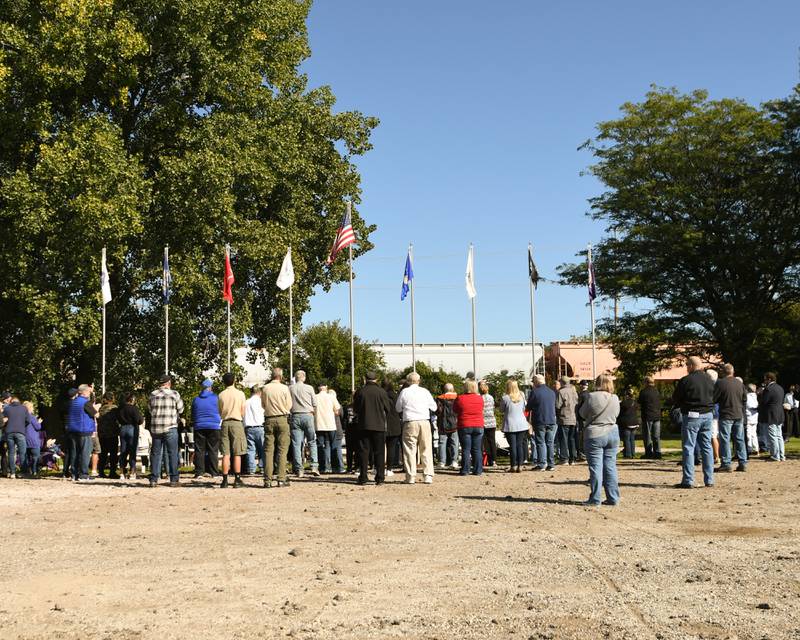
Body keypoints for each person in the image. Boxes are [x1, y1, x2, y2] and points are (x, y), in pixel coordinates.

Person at [673, 357, 715, 488]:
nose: (686, 368)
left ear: (691, 365)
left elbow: (676, 398)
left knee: (689, 447)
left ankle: (688, 480)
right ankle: (709, 480)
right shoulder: (710, 379)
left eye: (687, 365)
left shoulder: (686, 380)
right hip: (708, 415)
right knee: (707, 447)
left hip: (692, 415)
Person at [580, 373, 622, 506]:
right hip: (613, 432)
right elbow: (617, 414)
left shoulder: (591, 396)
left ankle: (595, 498)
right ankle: (613, 497)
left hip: (595, 433)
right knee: (610, 466)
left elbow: (582, 413)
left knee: (596, 468)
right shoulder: (615, 398)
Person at [395, 372, 437, 485]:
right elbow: (434, 407)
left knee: (409, 450)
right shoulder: (425, 392)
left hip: (410, 422)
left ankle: (410, 476)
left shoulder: (404, 392)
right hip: (424, 421)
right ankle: (428, 475)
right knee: (426, 448)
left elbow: (398, 408)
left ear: (408, 381)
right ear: (419, 381)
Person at [353, 371, 392, 485]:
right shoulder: (382, 392)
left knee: (363, 452)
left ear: (365, 379)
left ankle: (363, 477)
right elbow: (387, 408)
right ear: (377, 379)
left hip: (363, 425)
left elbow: (355, 409)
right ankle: (380, 478)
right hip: (379, 426)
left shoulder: (361, 391)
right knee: (379, 452)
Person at [147, 375, 184, 487]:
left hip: (156, 427)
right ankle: (173, 479)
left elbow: (149, 409)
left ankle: (154, 479)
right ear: (169, 383)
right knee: (172, 453)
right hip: (170, 426)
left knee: (155, 453)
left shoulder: (152, 394)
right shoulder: (174, 394)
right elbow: (181, 409)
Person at [713, 364, 748, 472]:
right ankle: (742, 462)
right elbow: (744, 398)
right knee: (739, 439)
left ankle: (726, 463)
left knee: (725, 439)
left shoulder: (720, 383)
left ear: (723, 372)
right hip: (738, 414)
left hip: (726, 414)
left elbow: (714, 398)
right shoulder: (739, 383)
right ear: (733, 372)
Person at [261, 368, 292, 487]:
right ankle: (281, 478)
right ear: (281, 376)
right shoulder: (284, 388)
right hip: (282, 419)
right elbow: (289, 405)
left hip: (269, 419)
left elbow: (263, 405)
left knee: (268, 451)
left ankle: (267, 480)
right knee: (282, 450)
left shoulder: (265, 388)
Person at [218, 372, 247, 488]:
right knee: (237, 452)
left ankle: (224, 480)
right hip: (236, 422)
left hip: (225, 422)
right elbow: (242, 411)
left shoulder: (221, 395)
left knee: (226, 453)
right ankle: (237, 478)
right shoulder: (240, 394)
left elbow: (220, 411)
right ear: (234, 380)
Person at [288, 370, 319, 477]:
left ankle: (299, 469)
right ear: (304, 378)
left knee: (297, 444)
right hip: (308, 415)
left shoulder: (290, 388)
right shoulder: (309, 388)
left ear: (295, 378)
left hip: (295, 416)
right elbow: (315, 403)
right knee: (312, 441)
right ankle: (314, 465)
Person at [67, 384, 99, 482]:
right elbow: (96, 415)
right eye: (89, 392)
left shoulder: (72, 402)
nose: (89, 393)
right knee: (85, 453)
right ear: (84, 392)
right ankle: (83, 475)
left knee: (74, 453)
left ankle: (74, 474)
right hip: (84, 430)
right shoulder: (86, 403)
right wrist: (96, 408)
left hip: (72, 430)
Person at [526, 374, 557, 471]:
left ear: (536, 382)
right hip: (551, 420)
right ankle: (551, 464)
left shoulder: (534, 392)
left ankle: (542, 463)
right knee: (550, 442)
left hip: (540, 420)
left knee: (540, 442)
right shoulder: (552, 392)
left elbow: (529, 407)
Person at [453, 379, 484, 476]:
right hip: (478, 425)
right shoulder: (480, 398)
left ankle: (465, 470)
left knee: (466, 449)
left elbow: (455, 410)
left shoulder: (460, 398)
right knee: (477, 449)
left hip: (464, 425)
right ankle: (478, 470)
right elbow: (481, 408)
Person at [191, 379, 221, 479]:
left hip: (199, 426)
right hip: (214, 426)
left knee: (199, 450)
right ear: (210, 387)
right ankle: (214, 472)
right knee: (213, 449)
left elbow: (193, 413)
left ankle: (199, 472)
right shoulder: (216, 398)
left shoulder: (196, 399)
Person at [314, 382, 341, 475]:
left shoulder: (315, 397)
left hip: (319, 424)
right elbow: (337, 411)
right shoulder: (331, 397)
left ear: (318, 388)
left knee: (320, 446)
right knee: (333, 445)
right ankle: (335, 467)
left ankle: (322, 467)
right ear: (326, 387)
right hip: (330, 425)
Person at [501, 379, 528, 472]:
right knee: (519, 445)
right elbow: (525, 408)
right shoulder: (522, 396)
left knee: (512, 446)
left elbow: (501, 409)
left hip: (510, 424)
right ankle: (520, 465)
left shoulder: (505, 398)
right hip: (522, 424)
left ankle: (513, 465)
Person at [3, 395, 31, 479]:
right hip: (20, 432)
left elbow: (3, 419)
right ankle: (23, 472)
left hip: (9, 432)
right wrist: (22, 426)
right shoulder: (24, 408)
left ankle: (12, 473)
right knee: (22, 453)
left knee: (11, 453)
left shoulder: (7, 408)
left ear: (11, 401)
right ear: (19, 401)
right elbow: (28, 421)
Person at [759, 372, 785, 462]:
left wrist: (761, 394)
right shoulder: (780, 388)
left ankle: (775, 455)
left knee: (773, 435)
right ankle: (781, 455)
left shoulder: (768, 389)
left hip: (771, 414)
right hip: (780, 413)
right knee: (779, 435)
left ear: (769, 379)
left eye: (765, 379)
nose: (764, 381)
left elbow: (764, 402)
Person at [118, 393, 143, 480]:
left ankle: (121, 472)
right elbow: (139, 420)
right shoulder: (134, 408)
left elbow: (118, 419)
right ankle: (132, 472)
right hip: (132, 428)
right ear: (132, 399)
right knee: (132, 451)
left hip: (123, 429)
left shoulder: (120, 408)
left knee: (123, 451)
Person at [555, 376, 579, 465]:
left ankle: (564, 458)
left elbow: (557, 405)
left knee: (563, 439)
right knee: (571, 439)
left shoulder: (561, 392)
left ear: (562, 382)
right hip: (573, 418)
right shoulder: (574, 391)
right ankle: (572, 458)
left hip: (564, 418)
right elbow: (577, 403)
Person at [97, 391, 121, 479]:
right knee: (113, 454)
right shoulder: (115, 408)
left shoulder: (101, 408)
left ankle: (101, 471)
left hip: (102, 434)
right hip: (112, 433)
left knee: (103, 453)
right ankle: (112, 472)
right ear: (113, 398)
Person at [435, 383, 459, 469]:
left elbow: (437, 411)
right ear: (452, 389)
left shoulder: (439, 398)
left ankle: (442, 462)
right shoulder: (457, 397)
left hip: (442, 423)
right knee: (454, 443)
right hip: (455, 423)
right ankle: (454, 461)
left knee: (442, 443)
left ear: (444, 390)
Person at [638, 376, 662, 459]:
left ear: (646, 382)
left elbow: (639, 402)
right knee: (656, 436)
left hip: (647, 416)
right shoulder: (656, 391)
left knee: (647, 436)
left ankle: (648, 453)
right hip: (657, 416)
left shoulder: (643, 392)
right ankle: (658, 452)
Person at [244, 385, 265, 475]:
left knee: (250, 449)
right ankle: (262, 467)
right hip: (260, 427)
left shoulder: (246, 402)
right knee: (262, 449)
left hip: (249, 427)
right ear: (259, 392)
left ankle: (251, 468)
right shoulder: (261, 401)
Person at [382, 380, 402, 476]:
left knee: (379, 448)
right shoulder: (396, 396)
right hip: (394, 425)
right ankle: (389, 468)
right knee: (392, 448)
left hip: (382, 424)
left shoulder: (381, 395)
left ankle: (378, 467)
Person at [22, 401, 43, 477]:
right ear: (29, 408)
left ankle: (27, 472)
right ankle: (34, 471)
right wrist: (39, 422)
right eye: (32, 407)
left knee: (26, 457)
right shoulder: (31, 417)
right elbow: (38, 427)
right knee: (35, 456)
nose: (33, 408)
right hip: (33, 439)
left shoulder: (22, 417)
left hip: (25, 439)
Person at [616, 388, 639, 459]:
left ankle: (628, 454)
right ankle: (633, 453)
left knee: (626, 439)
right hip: (635, 422)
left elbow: (620, 412)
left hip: (627, 423)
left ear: (626, 395)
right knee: (632, 439)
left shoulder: (623, 403)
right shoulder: (635, 403)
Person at [479, 381, 497, 467]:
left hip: (483, 421)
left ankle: (488, 459)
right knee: (492, 441)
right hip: (491, 421)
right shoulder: (491, 397)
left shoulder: (479, 398)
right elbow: (493, 407)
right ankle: (493, 460)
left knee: (485, 443)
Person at [745, 383, 759, 455]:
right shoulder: (755, 396)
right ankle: (756, 448)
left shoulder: (747, 396)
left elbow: (750, 405)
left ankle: (750, 449)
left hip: (749, 416)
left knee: (749, 434)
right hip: (755, 416)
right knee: (754, 433)